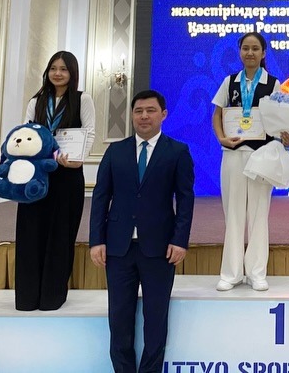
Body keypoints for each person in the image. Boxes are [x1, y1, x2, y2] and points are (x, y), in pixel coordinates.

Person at [89, 89, 195, 373]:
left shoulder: (177, 152)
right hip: (118, 248)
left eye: (150, 110)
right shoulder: (116, 151)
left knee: (156, 320)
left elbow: (186, 199)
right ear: (132, 115)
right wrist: (97, 240)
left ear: (163, 114)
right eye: (138, 111)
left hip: (159, 249)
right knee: (119, 319)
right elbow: (101, 197)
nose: (144, 116)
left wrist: (180, 240)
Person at [211, 32, 289, 292]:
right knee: (233, 214)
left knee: (259, 215)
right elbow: (217, 114)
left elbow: (281, 119)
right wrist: (222, 138)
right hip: (233, 155)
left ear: (263, 53)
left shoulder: (273, 84)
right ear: (239, 52)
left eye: (255, 48)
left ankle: (257, 273)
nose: (250, 53)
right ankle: (231, 273)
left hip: (262, 156)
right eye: (245, 48)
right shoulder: (230, 82)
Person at [16, 50, 95, 311]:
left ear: (72, 73)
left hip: (67, 176)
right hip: (35, 177)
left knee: (60, 236)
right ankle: (27, 298)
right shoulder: (36, 101)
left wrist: (78, 159)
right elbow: (25, 134)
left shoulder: (83, 99)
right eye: (53, 68)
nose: (57, 73)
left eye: (63, 69)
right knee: (30, 235)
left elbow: (89, 132)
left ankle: (52, 297)